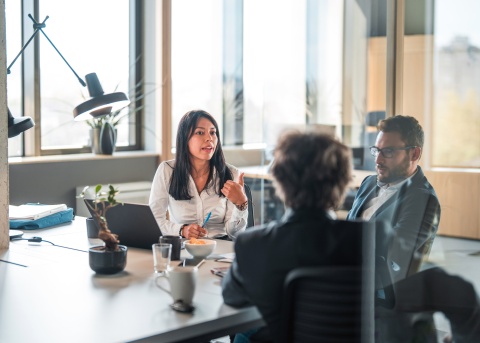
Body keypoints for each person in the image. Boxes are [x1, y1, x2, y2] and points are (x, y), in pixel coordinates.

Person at [222, 131, 354, 342]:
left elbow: (232, 297)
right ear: (344, 182)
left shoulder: (254, 244)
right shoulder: (369, 238)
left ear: (280, 181)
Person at [347, 115, 441, 282]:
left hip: (383, 294)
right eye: (376, 150)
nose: (377, 159)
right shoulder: (368, 183)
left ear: (414, 153)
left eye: (388, 151)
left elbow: (392, 252)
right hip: (349, 281)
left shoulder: (424, 199)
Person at [149, 109, 248, 240]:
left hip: (220, 249)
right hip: (183, 248)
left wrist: (241, 204)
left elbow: (234, 234)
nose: (209, 138)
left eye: (213, 133)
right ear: (185, 138)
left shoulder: (232, 174)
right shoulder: (167, 170)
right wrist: (181, 230)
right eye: (200, 132)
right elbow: (154, 221)